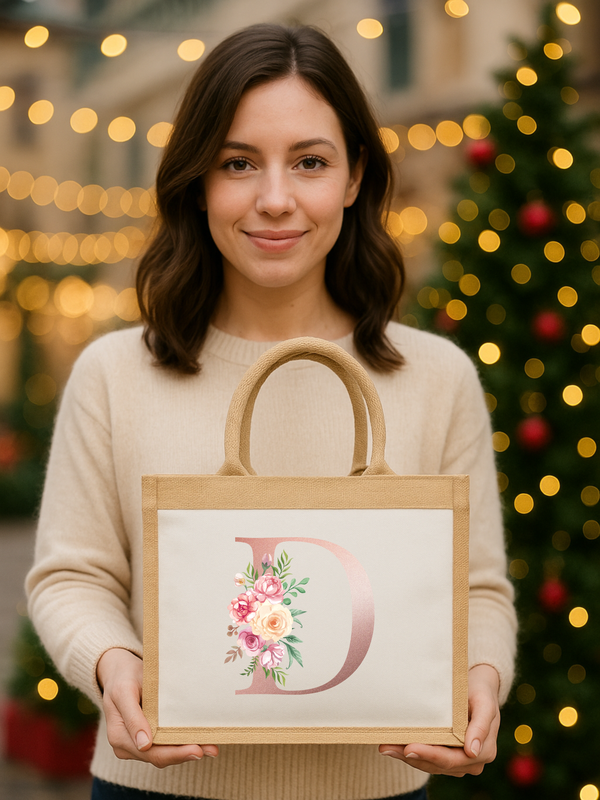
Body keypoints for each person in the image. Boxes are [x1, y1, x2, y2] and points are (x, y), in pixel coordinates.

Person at [26, 22, 517, 800]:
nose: (276, 199)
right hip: (156, 790)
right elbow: (71, 576)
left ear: (355, 176)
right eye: (238, 163)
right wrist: (113, 668)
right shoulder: (114, 374)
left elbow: (478, 589)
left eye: (311, 162)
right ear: (197, 180)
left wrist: (480, 680)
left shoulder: (437, 376)